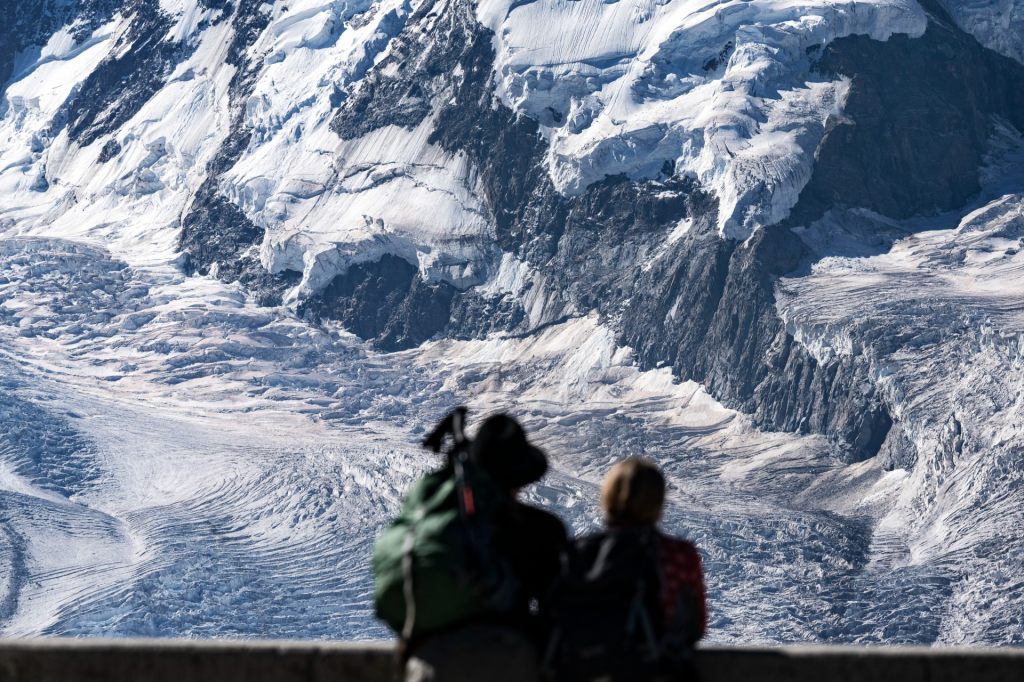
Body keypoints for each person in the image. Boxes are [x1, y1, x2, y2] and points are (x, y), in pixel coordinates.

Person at [373, 409, 568, 682]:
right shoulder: (536, 528)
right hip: (506, 663)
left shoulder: (432, 523)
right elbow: (559, 613)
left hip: (426, 667)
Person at [546, 457, 707, 682]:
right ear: (657, 502)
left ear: (609, 497)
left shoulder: (579, 551)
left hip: (584, 670)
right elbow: (695, 625)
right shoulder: (677, 555)